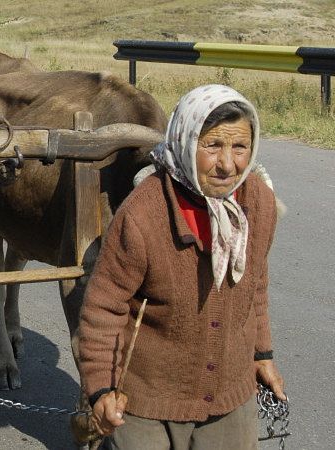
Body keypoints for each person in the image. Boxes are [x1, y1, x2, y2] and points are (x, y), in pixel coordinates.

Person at [78, 84, 286, 449]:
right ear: (186, 142)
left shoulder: (260, 202)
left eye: (240, 147)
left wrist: (262, 355)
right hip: (147, 401)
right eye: (212, 146)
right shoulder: (143, 214)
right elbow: (104, 307)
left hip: (229, 393)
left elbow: (256, 286)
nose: (227, 164)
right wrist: (101, 390)